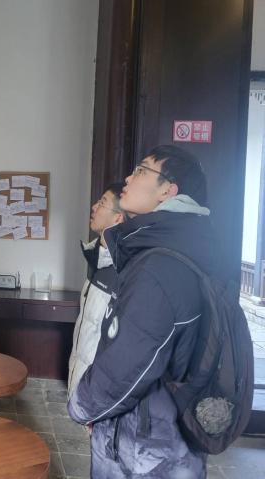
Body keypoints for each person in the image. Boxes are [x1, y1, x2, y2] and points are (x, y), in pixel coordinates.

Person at [68, 145, 213, 478]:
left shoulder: (158, 265)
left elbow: (127, 363)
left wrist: (84, 405)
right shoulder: (182, 245)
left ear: (168, 191)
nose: (128, 179)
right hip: (163, 438)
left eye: (141, 171)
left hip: (144, 448)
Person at [67, 183, 126, 400]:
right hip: (80, 381)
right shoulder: (98, 261)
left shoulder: (124, 269)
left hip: (96, 391)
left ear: (118, 218)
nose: (94, 207)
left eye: (102, 203)